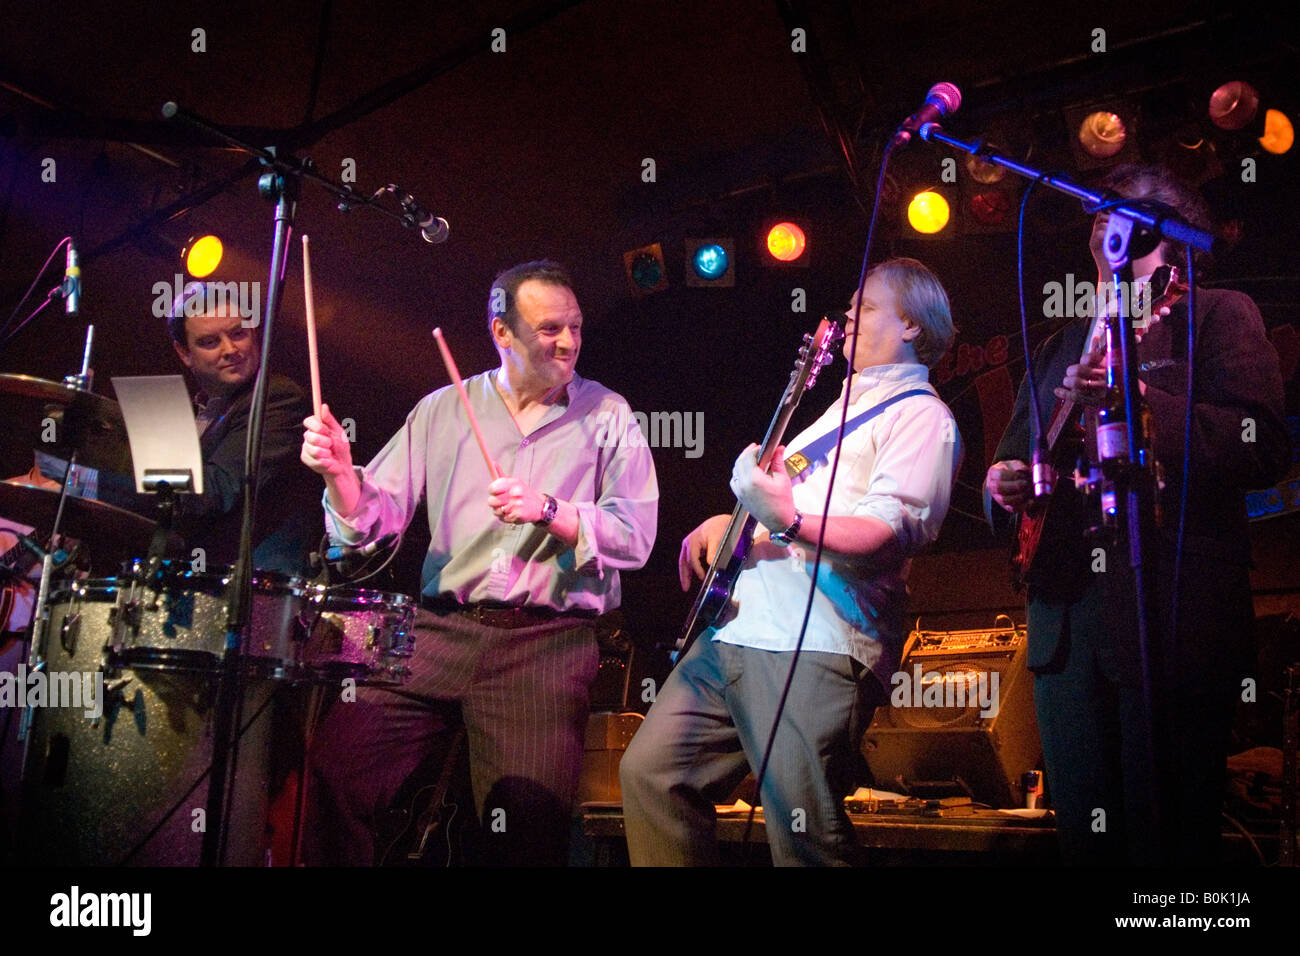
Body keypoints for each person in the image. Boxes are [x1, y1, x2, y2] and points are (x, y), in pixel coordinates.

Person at [299, 259, 658, 866]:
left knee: (527, 823)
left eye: (574, 326)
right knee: (335, 769)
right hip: (437, 631)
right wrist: (339, 477)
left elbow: (636, 535)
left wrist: (552, 510)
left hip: (544, 642)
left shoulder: (608, 415)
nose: (568, 342)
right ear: (502, 333)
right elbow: (368, 521)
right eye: (549, 329)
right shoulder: (443, 408)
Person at [984, 164, 1289, 865]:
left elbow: (1263, 441)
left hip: (1172, 605)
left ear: (1171, 229)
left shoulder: (1217, 313)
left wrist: (1144, 410)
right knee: (1086, 841)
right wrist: (1003, 484)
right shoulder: (1059, 344)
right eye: (1096, 204)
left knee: (1170, 839)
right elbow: (1007, 464)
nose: (1101, 212)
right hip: (1065, 616)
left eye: (1122, 204)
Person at [619, 257, 961, 866]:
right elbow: (784, 510)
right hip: (739, 631)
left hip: (815, 643)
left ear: (912, 324)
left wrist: (789, 520)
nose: (849, 314)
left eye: (868, 306)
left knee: (804, 840)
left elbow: (889, 531)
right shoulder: (837, 411)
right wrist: (732, 524)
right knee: (650, 776)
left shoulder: (921, 415)